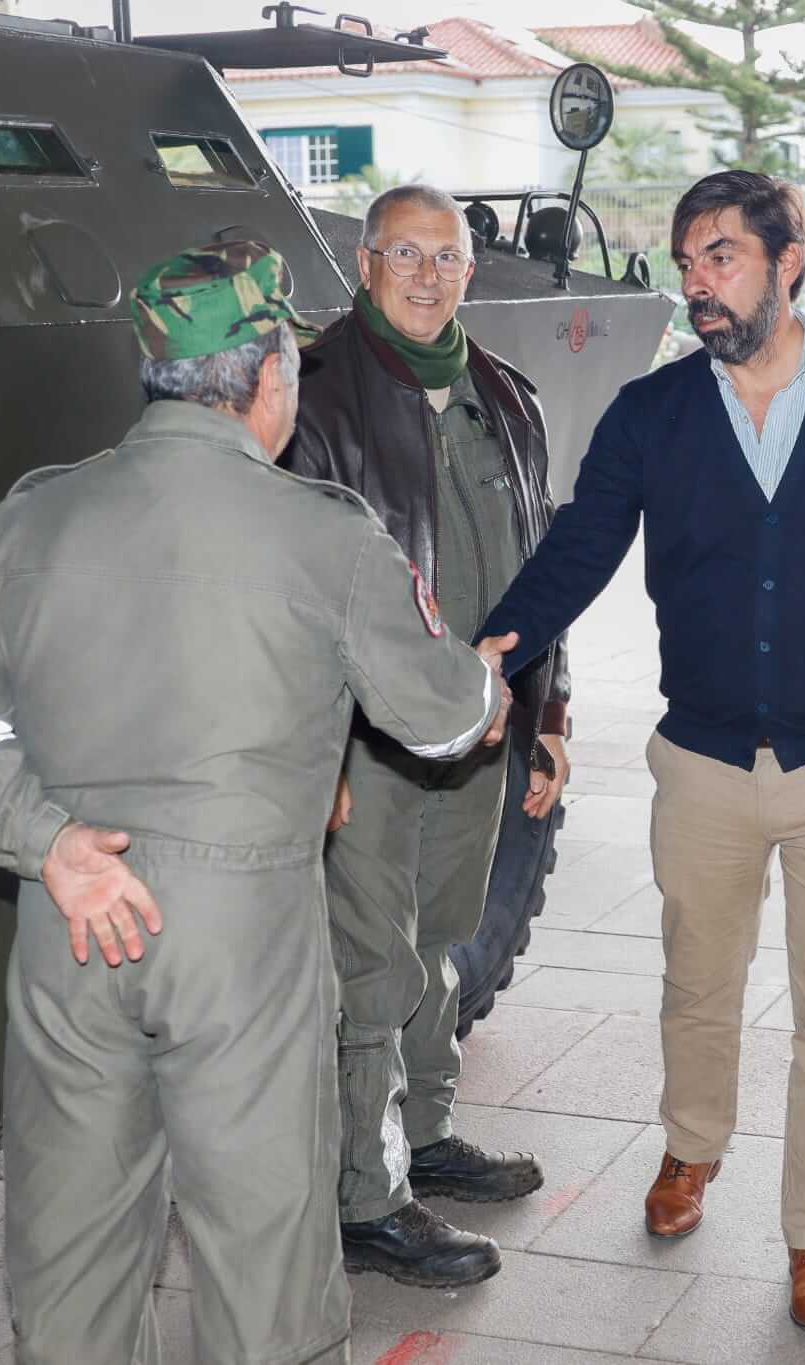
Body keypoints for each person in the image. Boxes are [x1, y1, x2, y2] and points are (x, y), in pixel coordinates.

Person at [0, 241, 508, 1364]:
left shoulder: (33, 519)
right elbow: (443, 719)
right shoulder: (322, 533)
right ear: (270, 373)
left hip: (74, 915)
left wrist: (48, 842)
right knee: (262, 1248)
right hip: (244, 933)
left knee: (71, 1248)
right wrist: (490, 682)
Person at [475, 169, 805, 1333]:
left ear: (786, 260)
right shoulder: (652, 415)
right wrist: (498, 650)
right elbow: (583, 546)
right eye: (688, 262)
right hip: (699, 758)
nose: (698, 285)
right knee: (697, 979)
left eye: (721, 258)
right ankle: (690, 1152)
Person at [282, 183, 567, 1288]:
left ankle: (426, 1133)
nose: (426, 273)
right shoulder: (311, 395)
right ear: (363, 264)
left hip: (482, 734)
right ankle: (367, 1195)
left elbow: (540, 580)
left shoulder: (508, 398)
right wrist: (314, 754)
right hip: (363, 741)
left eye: (445, 256)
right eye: (403, 252)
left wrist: (548, 720)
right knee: (369, 959)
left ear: (468, 271)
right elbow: (290, 593)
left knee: (442, 938)